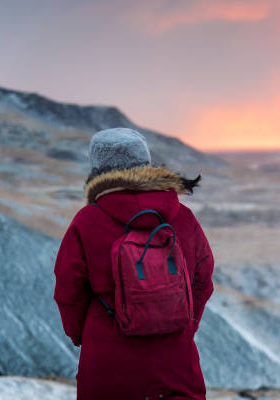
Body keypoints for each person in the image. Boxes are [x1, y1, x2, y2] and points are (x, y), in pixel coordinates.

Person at [53, 127, 214, 400]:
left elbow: (69, 291)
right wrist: (185, 324)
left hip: (107, 362)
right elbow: (203, 280)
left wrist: (84, 334)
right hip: (176, 361)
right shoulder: (183, 217)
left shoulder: (87, 221)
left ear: (97, 171)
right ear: (147, 164)